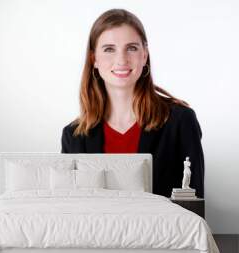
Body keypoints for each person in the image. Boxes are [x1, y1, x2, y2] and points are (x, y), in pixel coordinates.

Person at [61, 9, 204, 198]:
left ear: (144, 55)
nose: (121, 60)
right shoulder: (74, 135)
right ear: (93, 58)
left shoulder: (180, 121)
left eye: (131, 48)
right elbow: (69, 210)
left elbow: (193, 205)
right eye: (109, 49)